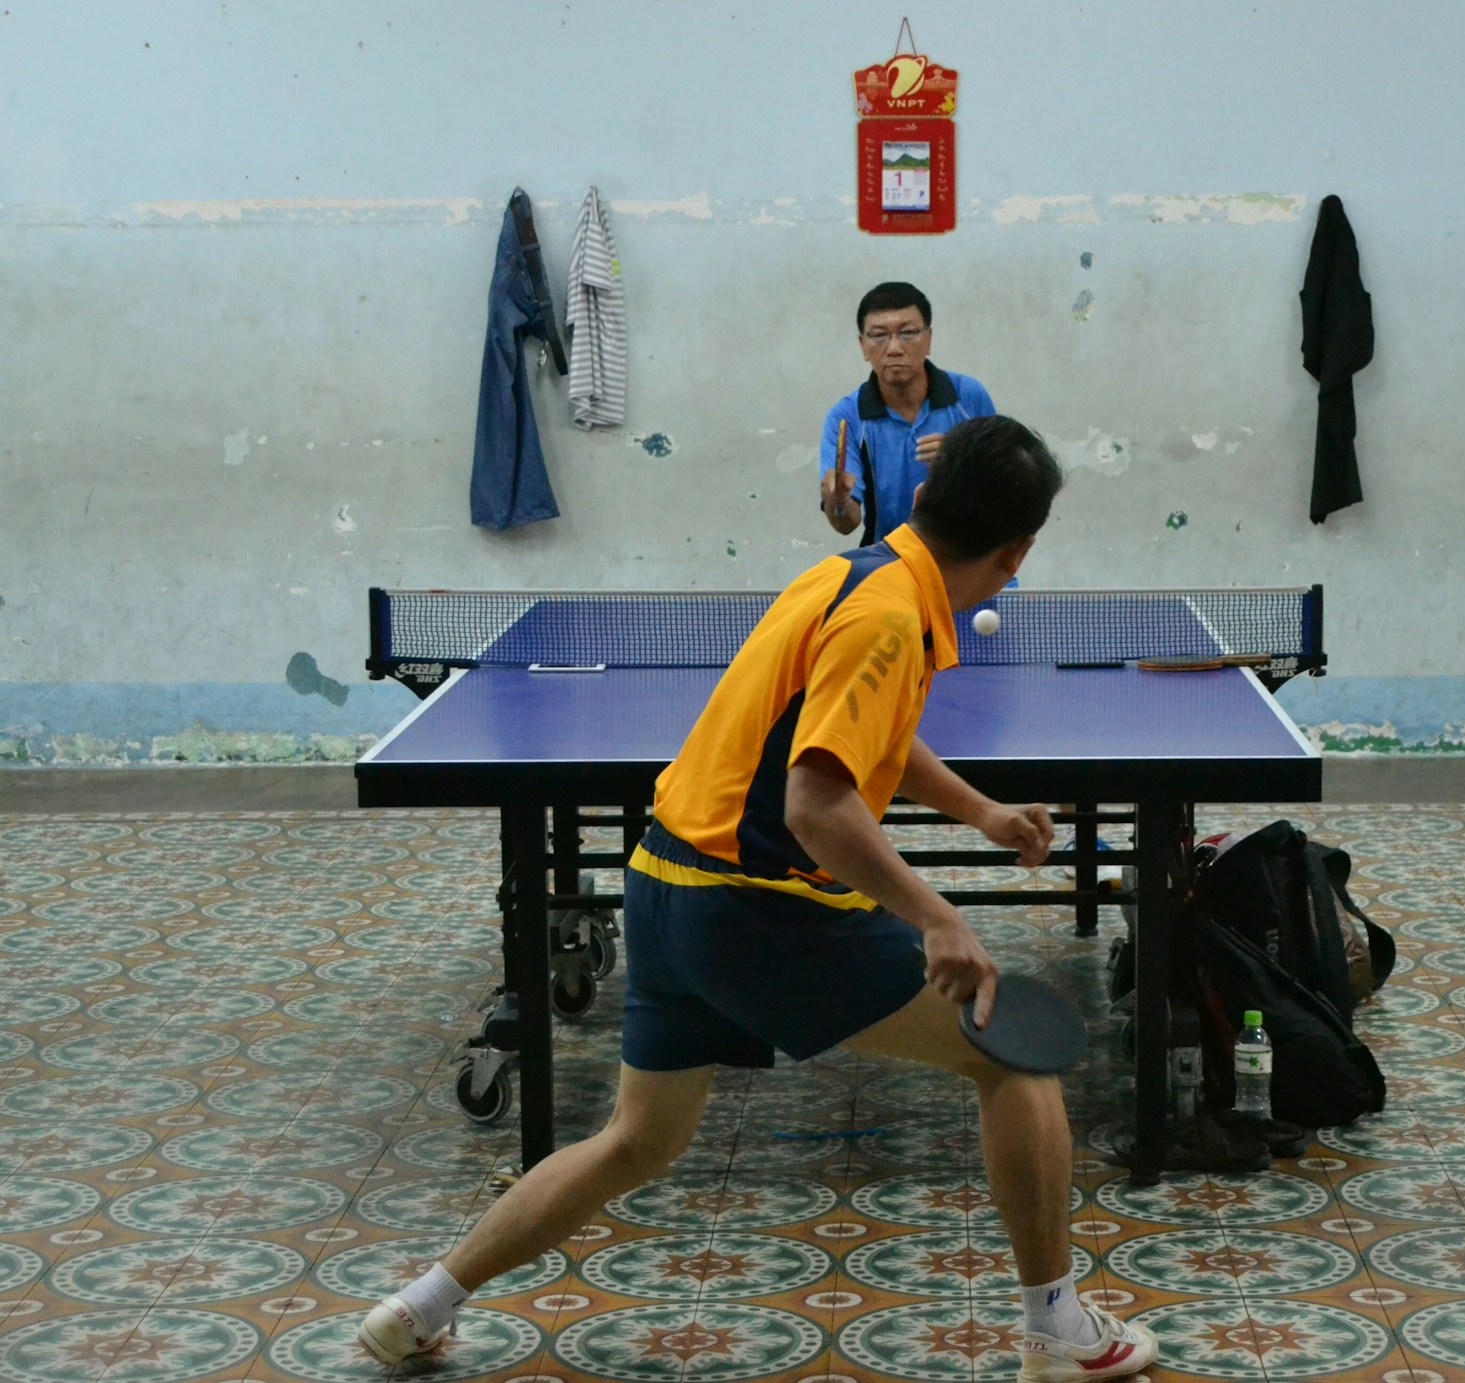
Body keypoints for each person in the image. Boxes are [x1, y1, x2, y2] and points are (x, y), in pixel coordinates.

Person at [360, 415, 1159, 1383]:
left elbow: (866, 734)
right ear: (1017, 551)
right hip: (755, 911)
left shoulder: (851, 575)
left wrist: (980, 811)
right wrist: (937, 915)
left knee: (633, 1143)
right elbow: (819, 805)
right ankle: (1058, 1335)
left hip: (663, 884)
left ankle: (420, 1306)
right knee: (1015, 1058)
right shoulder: (889, 617)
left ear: (918, 502)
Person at [819, 281, 997, 546]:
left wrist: (961, 466)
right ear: (863, 346)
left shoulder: (968, 397)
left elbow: (1002, 491)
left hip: (970, 561)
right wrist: (839, 503)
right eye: (879, 335)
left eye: (908, 333)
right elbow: (846, 525)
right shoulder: (846, 417)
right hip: (890, 565)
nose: (893, 348)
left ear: (928, 340)